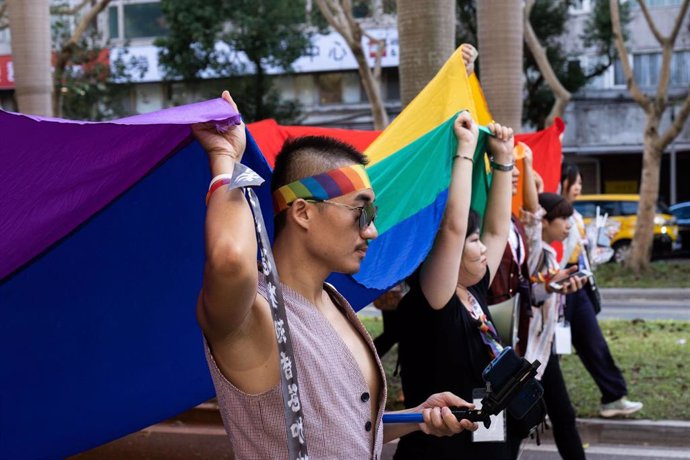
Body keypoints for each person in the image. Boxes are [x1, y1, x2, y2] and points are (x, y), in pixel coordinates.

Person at [194, 91, 477, 459]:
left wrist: (418, 417)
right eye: (360, 212)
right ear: (303, 212)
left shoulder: (336, 303)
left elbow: (345, 429)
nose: (371, 230)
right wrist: (224, 158)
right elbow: (230, 259)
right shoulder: (254, 314)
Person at [394, 113, 521, 459]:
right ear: (445, 254)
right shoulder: (434, 298)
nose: (485, 249)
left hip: (485, 438)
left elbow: (498, 231)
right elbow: (453, 226)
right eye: (474, 241)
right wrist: (464, 151)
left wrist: (504, 159)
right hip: (440, 450)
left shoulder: (474, 291)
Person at [560, 163, 643, 418]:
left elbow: (583, 252)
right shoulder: (550, 212)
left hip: (580, 285)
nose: (579, 189)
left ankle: (614, 397)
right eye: (577, 184)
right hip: (558, 288)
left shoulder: (573, 215)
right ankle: (542, 405)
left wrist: (600, 241)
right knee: (550, 352)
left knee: (594, 342)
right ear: (564, 182)